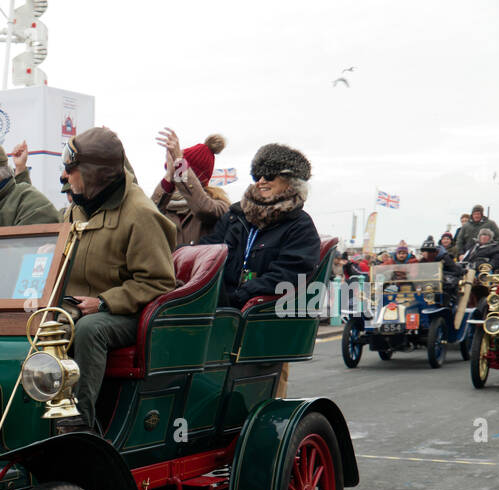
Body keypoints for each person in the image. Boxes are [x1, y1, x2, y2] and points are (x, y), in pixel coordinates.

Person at [58, 127, 175, 430]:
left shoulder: (140, 214)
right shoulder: (78, 210)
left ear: (93, 174)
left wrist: (104, 303)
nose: (65, 175)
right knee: (41, 324)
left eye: (71, 168)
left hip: (126, 313)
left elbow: (159, 282)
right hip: (78, 307)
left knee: (90, 330)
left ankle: (80, 420)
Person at [200, 143, 320, 399]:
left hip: (264, 321)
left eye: (270, 175)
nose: (262, 181)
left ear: (290, 182)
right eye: (258, 175)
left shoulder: (300, 225)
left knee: (264, 395)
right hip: (224, 315)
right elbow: (210, 251)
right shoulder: (236, 215)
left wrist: (241, 294)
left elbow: (289, 275)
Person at [150, 130, 229, 246]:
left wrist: (179, 162)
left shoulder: (220, 206)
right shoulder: (166, 207)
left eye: (179, 173)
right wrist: (168, 177)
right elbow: (148, 217)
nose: (177, 178)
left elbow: (203, 208)